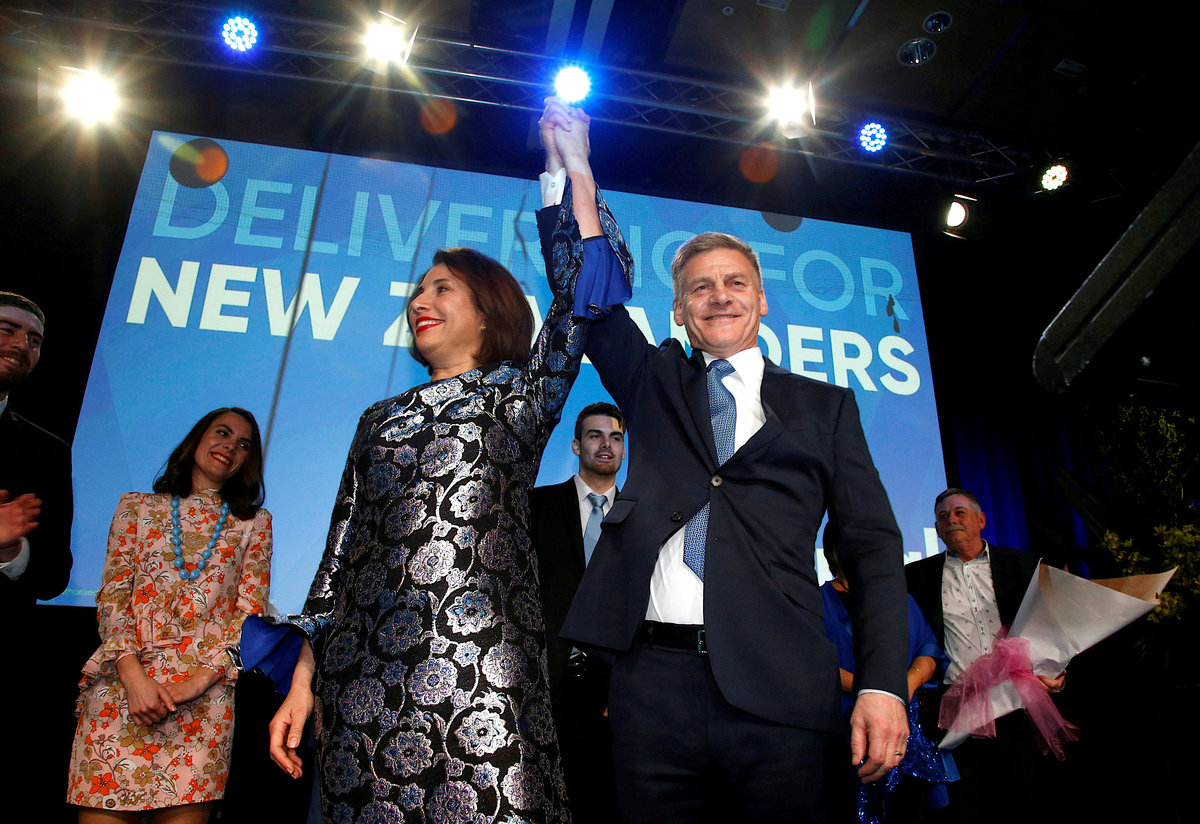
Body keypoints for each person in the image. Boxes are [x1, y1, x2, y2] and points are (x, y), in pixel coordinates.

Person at [536, 98, 910, 823]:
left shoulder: (825, 407)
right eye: (699, 287)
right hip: (651, 695)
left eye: (735, 282)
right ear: (679, 311)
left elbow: (871, 549)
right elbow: (587, 295)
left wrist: (882, 683)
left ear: (761, 302)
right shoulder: (654, 382)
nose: (719, 296)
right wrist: (574, 172)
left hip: (784, 694)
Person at [268, 192, 634, 821]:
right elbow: (339, 557)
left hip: (482, 672)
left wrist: (570, 171)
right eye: (418, 291)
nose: (420, 302)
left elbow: (584, 286)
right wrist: (303, 681)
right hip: (359, 680)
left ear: (489, 312)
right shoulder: (377, 419)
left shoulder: (520, 392)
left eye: (442, 289)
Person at [66, 407, 272, 822]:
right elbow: (113, 597)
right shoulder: (137, 507)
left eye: (244, 445)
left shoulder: (255, 523)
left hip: (204, 703)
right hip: (123, 690)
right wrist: (134, 678)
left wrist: (194, 684)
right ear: (197, 437)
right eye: (222, 433)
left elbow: (248, 617)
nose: (230, 447)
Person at [904, 488, 1065, 824]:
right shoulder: (915, 577)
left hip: (1016, 704)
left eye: (959, 512)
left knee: (1026, 800)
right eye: (943, 517)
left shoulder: (1025, 565)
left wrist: (1058, 671)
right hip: (955, 711)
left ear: (981, 520)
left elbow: (1053, 624)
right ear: (937, 529)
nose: (951, 520)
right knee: (969, 808)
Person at [529, 402, 625, 822]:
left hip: (616, 693)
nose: (606, 444)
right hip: (546, 685)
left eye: (615, 437)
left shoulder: (642, 516)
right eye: (595, 435)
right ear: (575, 445)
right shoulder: (537, 506)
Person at [0, 291, 75, 805]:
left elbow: (53, 575)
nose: (21, 344)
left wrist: (10, 552)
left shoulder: (46, 451)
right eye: (7, 329)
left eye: (34, 339)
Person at [821, 542, 957, 823]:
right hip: (842, 737)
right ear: (832, 553)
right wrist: (875, 692)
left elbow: (929, 652)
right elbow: (809, 665)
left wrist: (902, 688)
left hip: (906, 739)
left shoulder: (899, 598)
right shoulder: (815, 601)